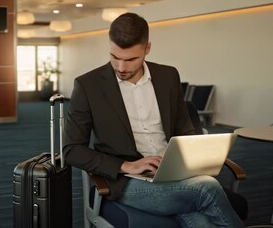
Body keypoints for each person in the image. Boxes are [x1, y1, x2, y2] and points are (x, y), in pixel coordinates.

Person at [63, 12, 244, 227]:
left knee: (201, 222)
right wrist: (126, 165)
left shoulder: (168, 76)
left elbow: (185, 130)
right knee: (208, 187)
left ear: (147, 48)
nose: (121, 68)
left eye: (131, 59)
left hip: (174, 173)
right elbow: (71, 149)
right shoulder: (88, 85)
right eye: (115, 57)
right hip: (128, 182)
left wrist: (191, 158)